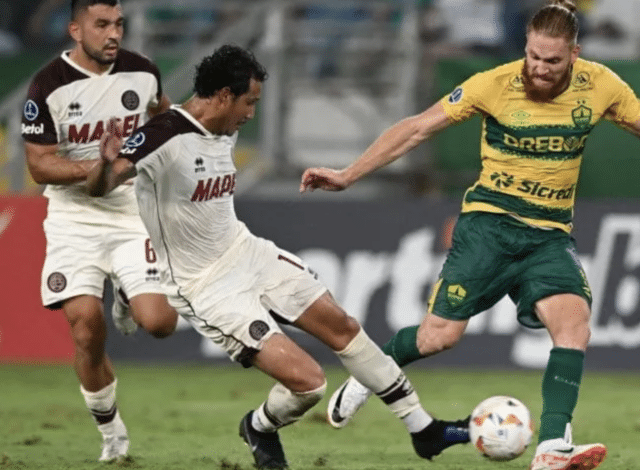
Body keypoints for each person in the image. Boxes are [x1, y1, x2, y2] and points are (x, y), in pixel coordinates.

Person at [299, 1, 640, 469]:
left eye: (553, 61)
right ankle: (369, 374)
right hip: (490, 227)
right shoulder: (493, 85)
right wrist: (349, 174)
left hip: (547, 237)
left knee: (574, 325)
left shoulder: (600, 85)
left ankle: (551, 447)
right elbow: (417, 128)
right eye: (533, 57)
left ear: (575, 54)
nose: (540, 69)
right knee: (437, 337)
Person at [85, 44, 470, 469]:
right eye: (249, 101)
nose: (251, 113)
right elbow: (105, 183)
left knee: (342, 326)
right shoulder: (164, 138)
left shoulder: (224, 127)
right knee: (309, 385)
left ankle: (423, 428)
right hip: (205, 285)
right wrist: (105, 166)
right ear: (225, 96)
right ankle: (259, 426)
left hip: (247, 251)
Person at [21, 0, 178, 462]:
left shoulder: (144, 73)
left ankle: (129, 296)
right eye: (102, 25)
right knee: (87, 328)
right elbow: (38, 165)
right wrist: (99, 165)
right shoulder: (48, 85)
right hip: (75, 218)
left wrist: (150, 158)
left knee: (161, 325)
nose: (114, 34)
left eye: (119, 24)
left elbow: (164, 119)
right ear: (75, 30)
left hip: (131, 213)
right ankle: (112, 435)